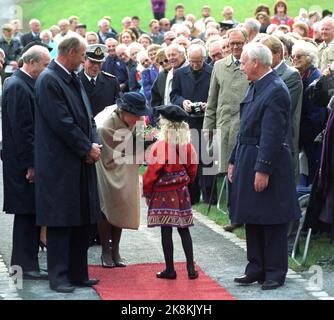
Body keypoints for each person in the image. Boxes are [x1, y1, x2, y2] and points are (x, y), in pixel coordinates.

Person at [229, 43, 300, 290]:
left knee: (272, 218)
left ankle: (274, 271)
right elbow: (244, 128)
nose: (241, 67)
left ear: (256, 63)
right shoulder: (257, 86)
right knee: (253, 216)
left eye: (244, 62)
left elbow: (272, 134)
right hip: (249, 158)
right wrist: (233, 160)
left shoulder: (276, 90)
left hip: (267, 161)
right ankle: (256, 267)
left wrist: (263, 169)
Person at [34, 36, 102, 293]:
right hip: (60, 164)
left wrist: (93, 145)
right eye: (83, 54)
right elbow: (61, 123)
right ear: (71, 52)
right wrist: (86, 148)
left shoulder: (72, 77)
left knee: (82, 219)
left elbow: (88, 118)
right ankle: (59, 276)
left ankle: (78, 272)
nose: (86, 59)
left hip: (80, 161)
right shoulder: (50, 80)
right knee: (61, 221)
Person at [2, 45, 50, 280]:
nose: (46, 69)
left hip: (22, 162)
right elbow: (23, 131)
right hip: (22, 165)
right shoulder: (19, 86)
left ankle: (26, 263)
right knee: (25, 214)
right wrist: (31, 164)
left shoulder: (20, 83)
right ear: (31, 63)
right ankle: (24, 265)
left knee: (30, 213)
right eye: (44, 65)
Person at [143, 104, 198, 280]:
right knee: (184, 229)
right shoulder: (187, 145)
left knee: (166, 230)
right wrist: (186, 182)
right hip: (181, 191)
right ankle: (191, 268)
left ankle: (170, 269)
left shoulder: (161, 146)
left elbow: (152, 172)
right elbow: (193, 168)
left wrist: (147, 191)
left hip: (163, 192)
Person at [95, 92, 150, 268]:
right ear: (123, 111)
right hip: (106, 166)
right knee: (107, 204)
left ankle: (116, 249)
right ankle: (105, 250)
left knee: (123, 205)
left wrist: (146, 142)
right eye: (135, 115)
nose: (138, 119)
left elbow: (140, 147)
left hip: (128, 165)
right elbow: (107, 155)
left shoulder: (139, 121)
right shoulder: (105, 126)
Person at [79, 44, 120, 116]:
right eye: (92, 62)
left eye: (99, 62)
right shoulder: (74, 81)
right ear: (83, 61)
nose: (96, 66)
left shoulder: (111, 82)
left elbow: (118, 108)